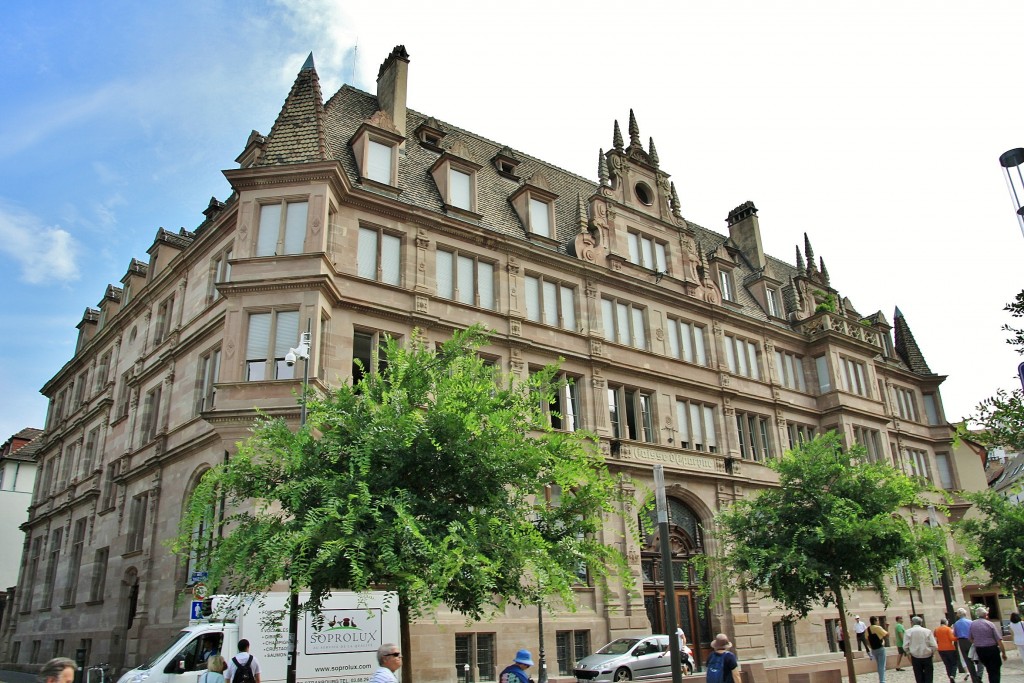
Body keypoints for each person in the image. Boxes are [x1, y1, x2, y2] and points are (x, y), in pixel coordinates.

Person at [969, 607, 1007, 683]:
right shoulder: (990, 624)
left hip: (980, 650)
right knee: (995, 670)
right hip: (991, 649)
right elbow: (999, 640)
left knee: (989, 669)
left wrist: (977, 642)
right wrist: (1003, 653)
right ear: (985, 614)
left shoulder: (972, 624)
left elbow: (970, 638)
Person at [906, 615, 939, 683]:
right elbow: (934, 645)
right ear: (921, 623)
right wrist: (931, 652)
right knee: (929, 675)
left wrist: (909, 652)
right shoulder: (927, 631)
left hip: (915, 656)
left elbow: (905, 646)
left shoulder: (908, 632)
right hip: (927, 655)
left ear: (912, 623)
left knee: (918, 676)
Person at [954, 608, 982, 683]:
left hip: (961, 641)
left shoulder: (956, 623)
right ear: (965, 614)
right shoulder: (970, 622)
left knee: (967, 660)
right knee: (976, 657)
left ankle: (974, 679)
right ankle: (978, 675)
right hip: (970, 640)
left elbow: (955, 634)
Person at [935, 618, 958, 683]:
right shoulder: (948, 629)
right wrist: (958, 637)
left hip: (941, 649)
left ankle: (950, 676)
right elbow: (952, 638)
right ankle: (952, 675)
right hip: (949, 648)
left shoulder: (936, 629)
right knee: (954, 663)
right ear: (946, 622)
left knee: (947, 664)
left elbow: (936, 637)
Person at [868, 616, 889, 683]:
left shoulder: (868, 629)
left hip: (873, 649)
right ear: (874, 621)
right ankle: (882, 680)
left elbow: (867, 639)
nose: (878, 622)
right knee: (882, 665)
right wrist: (887, 627)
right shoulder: (878, 627)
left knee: (879, 665)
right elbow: (887, 634)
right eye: (877, 620)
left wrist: (870, 646)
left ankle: (881, 679)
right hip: (880, 648)